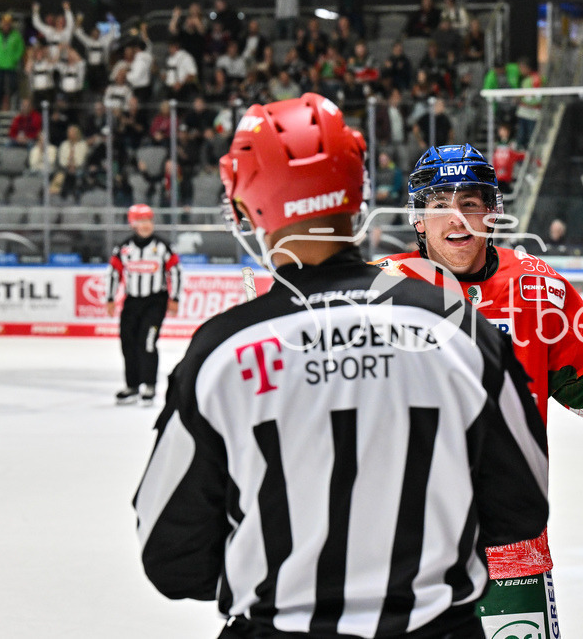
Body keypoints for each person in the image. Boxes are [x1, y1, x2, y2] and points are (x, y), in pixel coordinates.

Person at [133, 94, 550, 638]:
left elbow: (171, 556)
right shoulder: (458, 328)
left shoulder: (222, 352)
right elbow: (522, 506)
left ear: (251, 206)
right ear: (358, 195)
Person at [375, 145, 583, 638]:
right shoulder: (377, 289)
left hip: (509, 544)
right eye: (440, 204)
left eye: (471, 203)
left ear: (493, 213)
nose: (458, 217)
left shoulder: (537, 288)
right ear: (418, 219)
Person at [106, 204, 181, 405]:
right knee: (128, 342)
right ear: (133, 224)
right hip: (132, 302)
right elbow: (114, 273)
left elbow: (175, 272)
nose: (146, 225)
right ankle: (132, 386)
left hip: (155, 301)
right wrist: (110, 298)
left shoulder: (163, 246)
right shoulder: (124, 248)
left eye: (149, 220)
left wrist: (174, 299)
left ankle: (149, 385)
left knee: (147, 343)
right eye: (141, 221)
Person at [0, 13, 25, 111]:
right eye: (5, 24)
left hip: (11, 65)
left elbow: (21, 49)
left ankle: (13, 106)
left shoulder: (16, 35)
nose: (6, 26)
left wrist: (14, 58)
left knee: (13, 87)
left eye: (8, 24)